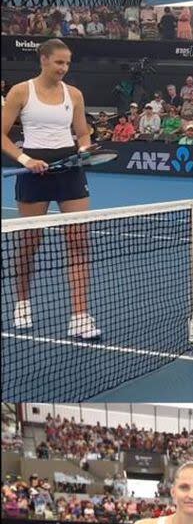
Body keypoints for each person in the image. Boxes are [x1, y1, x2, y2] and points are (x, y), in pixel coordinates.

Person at [1, 39, 100, 340]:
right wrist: (26, 159)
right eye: (59, 62)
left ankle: (80, 316)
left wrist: (84, 149)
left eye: (67, 63)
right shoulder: (21, 91)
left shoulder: (75, 94)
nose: (63, 68)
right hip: (33, 170)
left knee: (79, 243)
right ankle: (22, 303)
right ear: (43, 59)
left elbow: (82, 132)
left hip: (69, 169)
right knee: (29, 244)